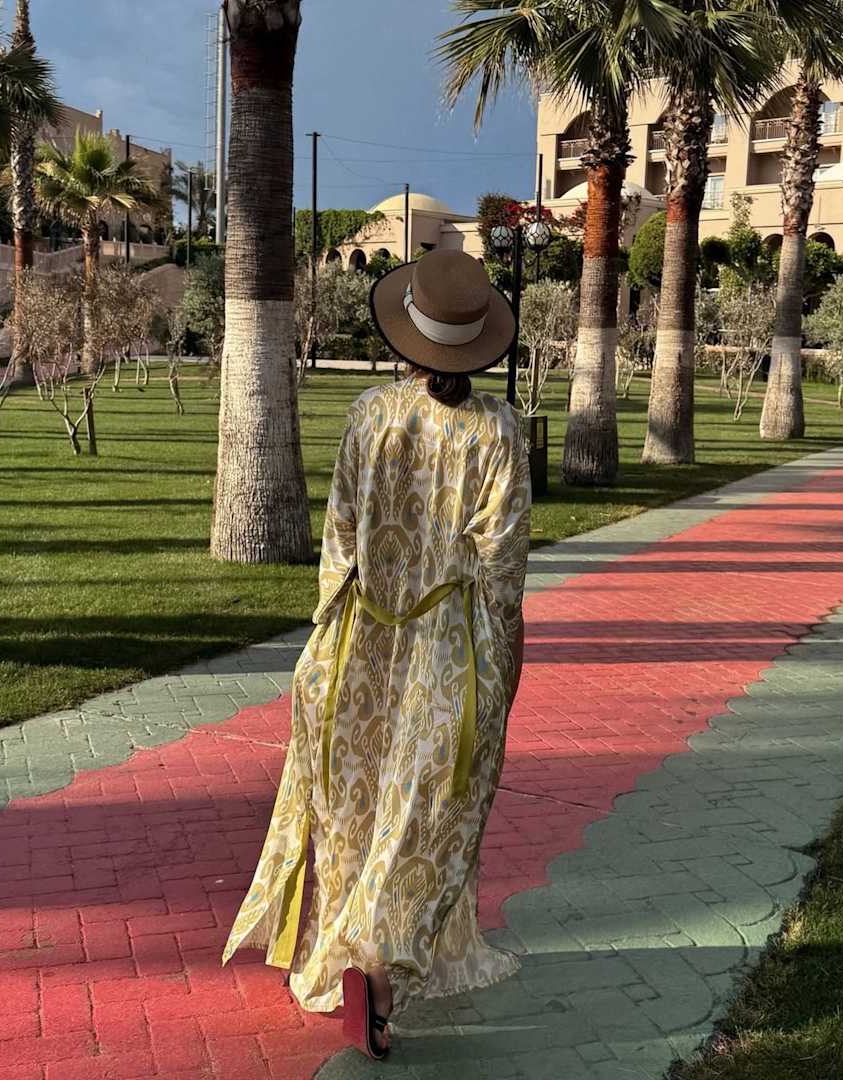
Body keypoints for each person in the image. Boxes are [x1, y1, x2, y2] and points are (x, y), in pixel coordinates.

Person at [222, 250, 532, 1060]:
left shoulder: (370, 413)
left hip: (362, 642)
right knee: (433, 813)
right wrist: (506, 657)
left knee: (360, 805)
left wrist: (331, 626)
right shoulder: (498, 429)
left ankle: (347, 947)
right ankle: (378, 961)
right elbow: (502, 568)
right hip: (447, 648)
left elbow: (341, 539)